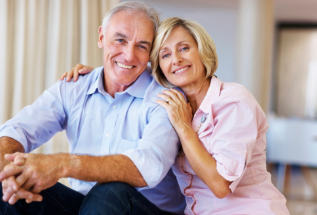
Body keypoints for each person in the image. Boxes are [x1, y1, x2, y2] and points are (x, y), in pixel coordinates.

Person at [66, 17, 290, 214]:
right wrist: (100, 75)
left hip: (248, 211)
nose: (176, 60)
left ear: (202, 51)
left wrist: (184, 127)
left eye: (184, 48)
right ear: (159, 67)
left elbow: (221, 184)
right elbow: (132, 69)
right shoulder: (170, 101)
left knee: (111, 193)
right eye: (165, 55)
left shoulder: (233, 101)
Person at [0, 2, 185, 215]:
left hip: (147, 209)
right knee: (10, 186)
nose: (128, 55)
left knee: (110, 190)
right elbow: (18, 129)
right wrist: (9, 171)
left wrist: (62, 164)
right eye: (120, 40)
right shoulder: (73, 87)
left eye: (142, 46)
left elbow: (149, 167)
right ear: (101, 37)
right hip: (87, 206)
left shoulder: (166, 97)